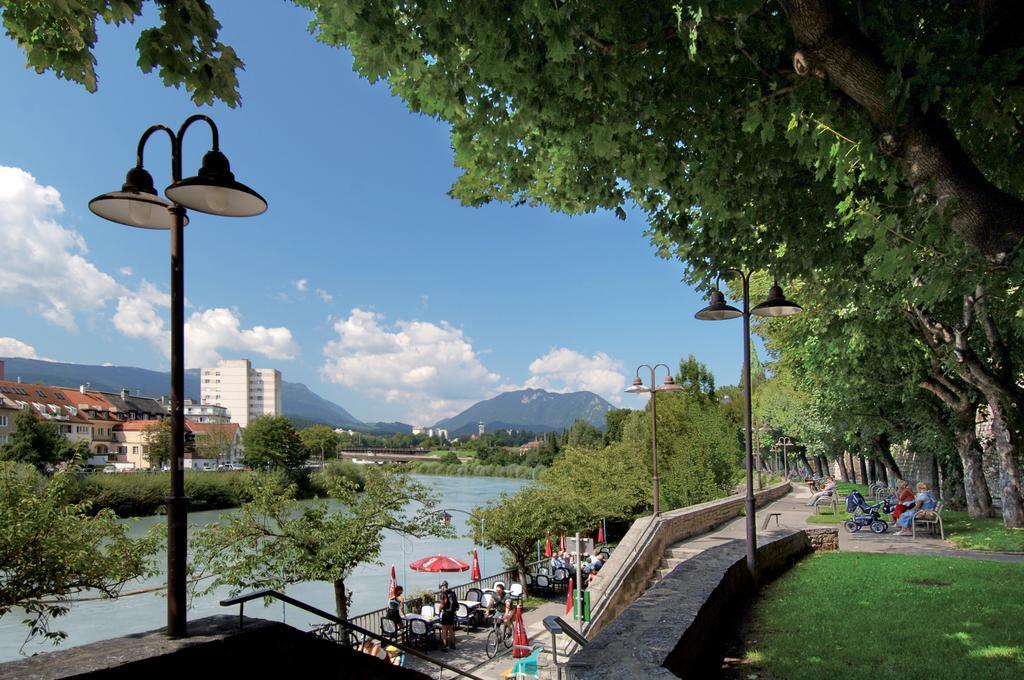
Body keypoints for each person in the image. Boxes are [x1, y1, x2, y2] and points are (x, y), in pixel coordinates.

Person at [438, 580, 458, 651]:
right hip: (452, 613)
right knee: (451, 629)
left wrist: (439, 609)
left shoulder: (443, 594)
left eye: (441, 587)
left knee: (444, 629)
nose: (441, 588)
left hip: (446, 613)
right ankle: (452, 644)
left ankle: (445, 646)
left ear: (443, 586)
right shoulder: (452, 592)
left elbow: (442, 604)